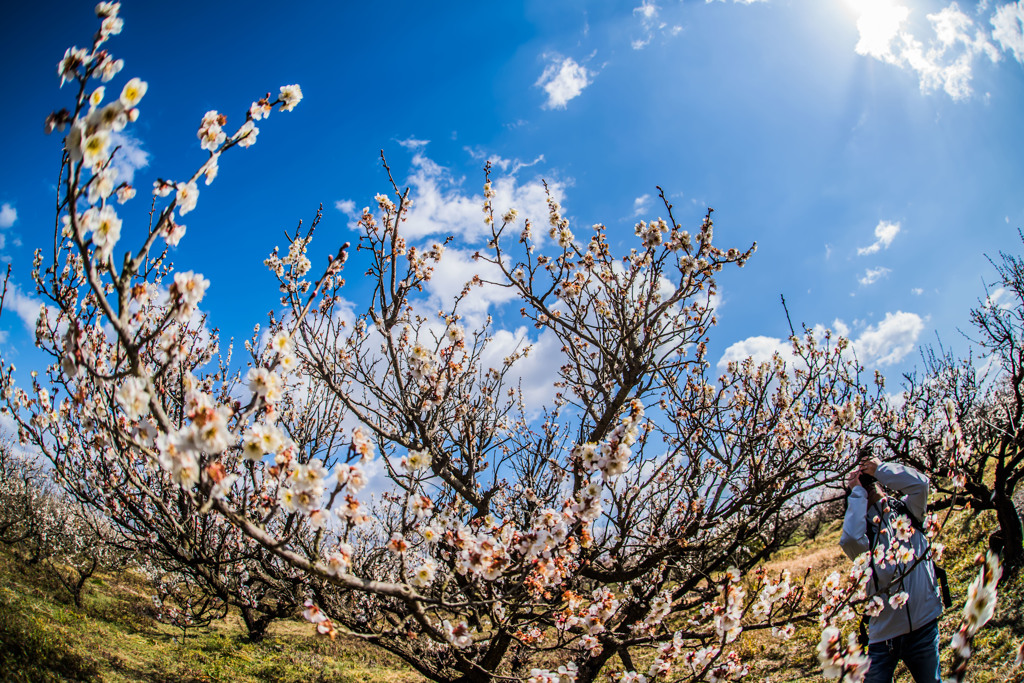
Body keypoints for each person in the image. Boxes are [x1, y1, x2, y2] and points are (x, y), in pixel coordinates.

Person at [839, 453, 944, 683]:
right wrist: (857, 492)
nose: (873, 492)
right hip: (884, 636)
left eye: (872, 485)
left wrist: (881, 469)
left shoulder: (907, 512)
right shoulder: (865, 532)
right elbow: (849, 541)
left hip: (924, 624)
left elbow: (921, 484)